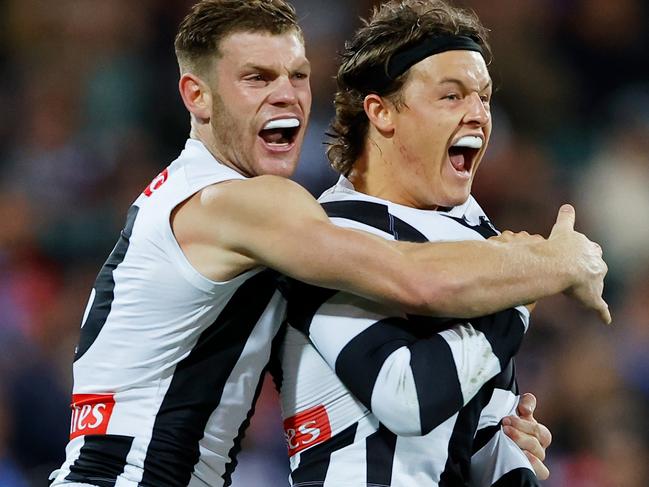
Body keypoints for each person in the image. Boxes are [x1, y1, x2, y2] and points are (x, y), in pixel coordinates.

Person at [49, 1, 608, 486]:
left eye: (297, 75)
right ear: (196, 95)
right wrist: (545, 266)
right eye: (257, 78)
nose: (286, 97)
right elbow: (414, 279)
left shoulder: (220, 202)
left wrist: (489, 433)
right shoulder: (241, 204)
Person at [276, 0, 587, 485]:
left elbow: (479, 441)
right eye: (452, 96)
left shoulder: (479, 243)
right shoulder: (323, 236)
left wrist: (509, 448)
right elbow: (407, 396)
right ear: (380, 111)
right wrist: (524, 286)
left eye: (483, 98)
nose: (479, 115)